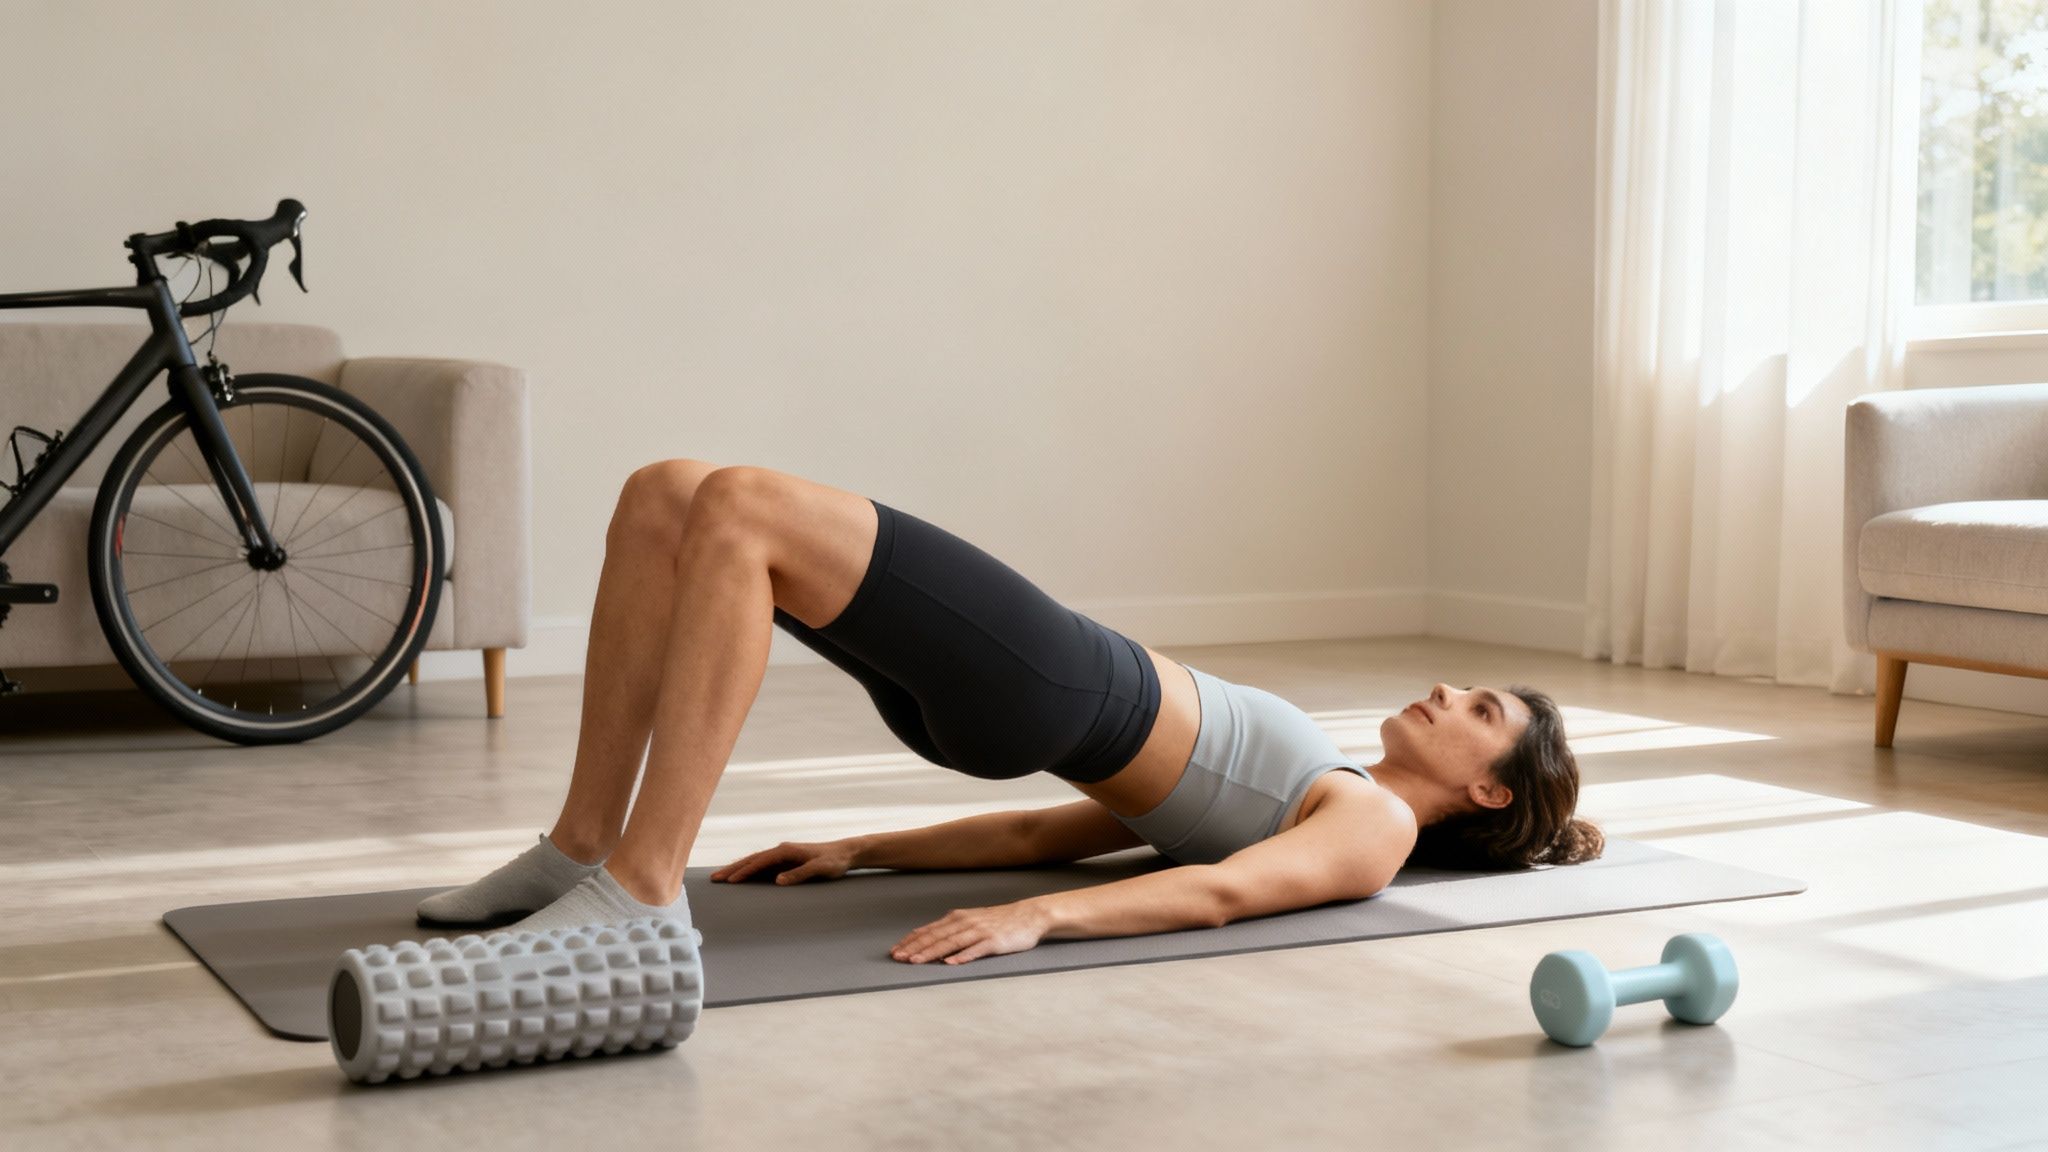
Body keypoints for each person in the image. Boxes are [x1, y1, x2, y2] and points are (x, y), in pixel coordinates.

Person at [417, 462, 1603, 965]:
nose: (1448, 694)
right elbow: (1063, 833)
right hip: (1024, 712)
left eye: (1479, 709)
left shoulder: (1375, 829)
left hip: (1060, 681)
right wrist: (863, 848)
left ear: (1488, 787)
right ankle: (580, 845)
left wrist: (1040, 922)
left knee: (736, 505)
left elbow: (1224, 895)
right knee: (666, 495)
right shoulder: (1317, 796)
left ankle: (637, 884)